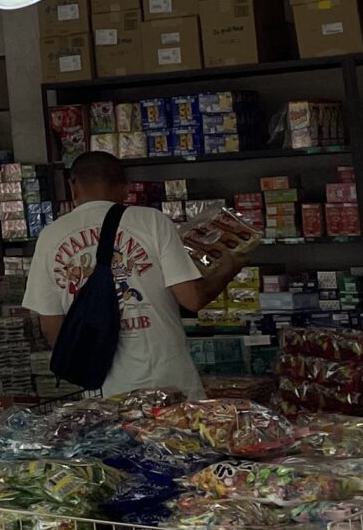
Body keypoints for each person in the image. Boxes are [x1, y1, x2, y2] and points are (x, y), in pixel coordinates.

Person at [25, 150, 252, 397]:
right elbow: (192, 299)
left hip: (103, 389)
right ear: (126, 188)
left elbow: (50, 326)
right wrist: (228, 270)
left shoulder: (50, 236)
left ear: (73, 186)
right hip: (167, 383)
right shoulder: (152, 221)